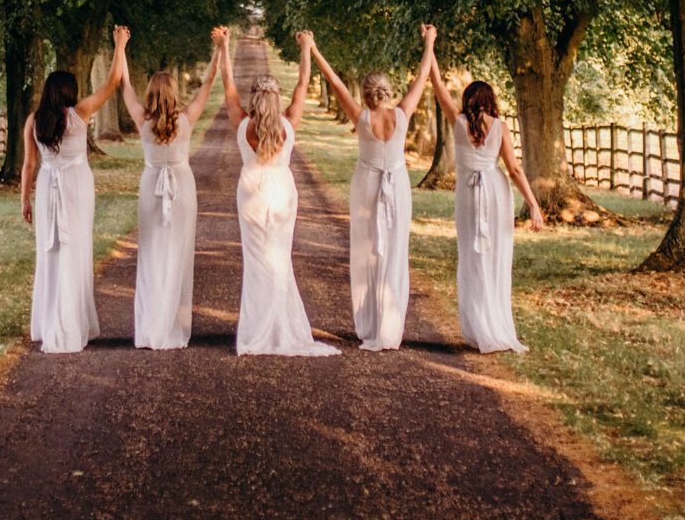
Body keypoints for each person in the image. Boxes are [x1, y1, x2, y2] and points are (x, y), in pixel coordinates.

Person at [305, 25, 436, 351]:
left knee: (367, 253)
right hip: (397, 188)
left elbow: (335, 82)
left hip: (366, 187)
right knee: (394, 252)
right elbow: (423, 77)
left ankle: (370, 325)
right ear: (388, 92)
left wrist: (313, 47)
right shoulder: (402, 115)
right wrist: (430, 42)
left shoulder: (361, 117)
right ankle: (390, 328)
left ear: (366, 95)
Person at [217, 30, 338, 357]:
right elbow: (303, 83)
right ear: (276, 98)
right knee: (280, 259)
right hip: (282, 193)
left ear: (254, 97)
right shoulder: (288, 123)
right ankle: (281, 327)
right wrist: (306, 48)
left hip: (251, 194)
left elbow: (227, 83)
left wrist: (224, 46)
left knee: (256, 261)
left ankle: (256, 331)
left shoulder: (242, 123)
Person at [116, 24, 225, 349]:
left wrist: (120, 46)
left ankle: (151, 326)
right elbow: (208, 82)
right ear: (174, 93)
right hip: (182, 189)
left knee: (151, 254)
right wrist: (220, 48)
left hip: (152, 187)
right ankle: (172, 326)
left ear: (151, 93)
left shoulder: (142, 119)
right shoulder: (187, 118)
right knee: (178, 254)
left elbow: (124, 84)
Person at [21, 28, 128, 354]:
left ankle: (50, 320)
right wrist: (120, 45)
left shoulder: (34, 121)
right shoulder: (80, 113)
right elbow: (112, 83)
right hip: (77, 188)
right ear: (69, 91)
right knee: (75, 250)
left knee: (50, 252)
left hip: (47, 190)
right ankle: (71, 322)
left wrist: (25, 200)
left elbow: (28, 165)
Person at [427, 74, 547, 352]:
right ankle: (494, 325)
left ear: (467, 100)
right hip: (495, 192)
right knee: (495, 258)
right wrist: (533, 204)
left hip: (468, 195)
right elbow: (514, 170)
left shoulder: (458, 122)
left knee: (471, 257)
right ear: (491, 101)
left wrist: (430, 54)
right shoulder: (500, 127)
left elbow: (439, 87)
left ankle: (478, 326)